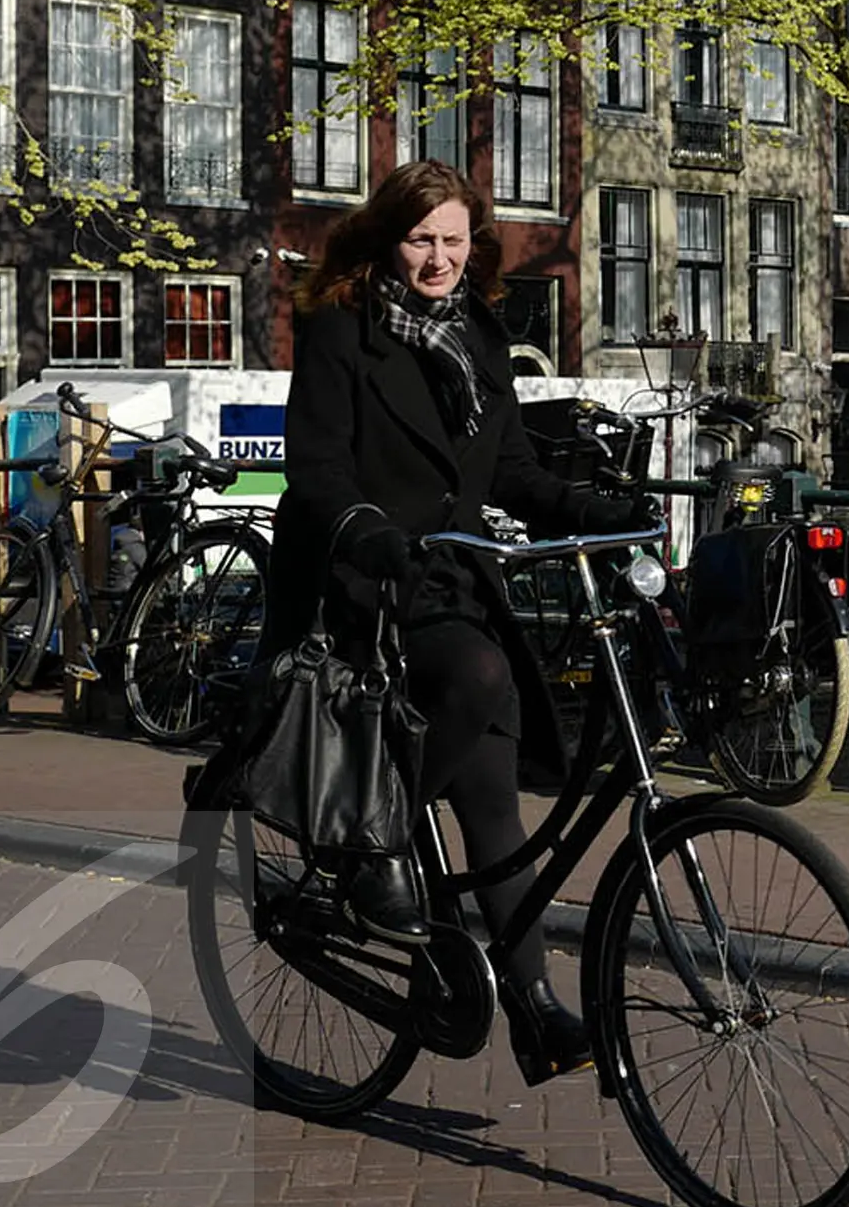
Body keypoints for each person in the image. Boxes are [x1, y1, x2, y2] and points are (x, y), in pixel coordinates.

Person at [261, 160, 652, 1086]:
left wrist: (592, 507)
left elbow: (509, 469)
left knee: (493, 805)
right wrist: (367, 533)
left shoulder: (478, 331)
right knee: (477, 682)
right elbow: (313, 470)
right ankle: (371, 844)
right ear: (389, 240)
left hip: (460, 585)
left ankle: (537, 1012)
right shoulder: (339, 330)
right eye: (421, 239)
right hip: (367, 591)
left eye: (453, 239)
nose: (438, 258)